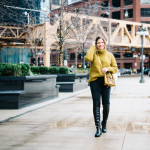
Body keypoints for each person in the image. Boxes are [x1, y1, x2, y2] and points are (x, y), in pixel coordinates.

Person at [85, 36, 118, 137]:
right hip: (95, 81)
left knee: (106, 104)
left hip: (106, 81)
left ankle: (104, 124)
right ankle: (98, 128)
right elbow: (88, 58)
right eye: (98, 43)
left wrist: (107, 68)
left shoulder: (109, 55)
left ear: (104, 43)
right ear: (96, 44)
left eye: (102, 42)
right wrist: (92, 47)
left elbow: (115, 68)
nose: (100, 44)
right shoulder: (93, 54)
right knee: (96, 104)